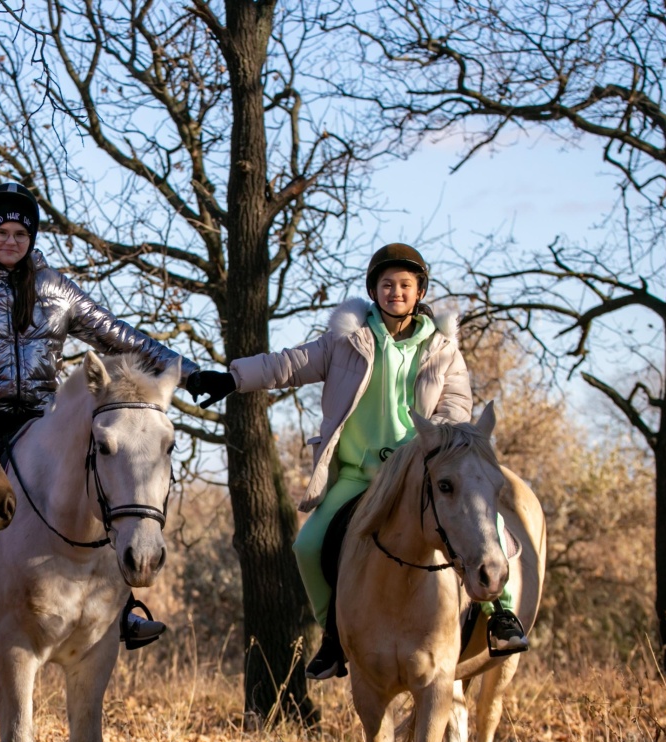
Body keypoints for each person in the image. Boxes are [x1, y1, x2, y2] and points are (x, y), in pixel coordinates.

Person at [0, 182, 211, 650]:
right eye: (3, 233)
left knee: (102, 481)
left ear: (31, 238)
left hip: (42, 417)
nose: (12, 241)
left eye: (22, 233)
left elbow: (116, 334)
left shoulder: (55, 288)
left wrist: (188, 372)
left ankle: (121, 609)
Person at [185, 244, 529, 679]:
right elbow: (288, 365)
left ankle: (501, 614)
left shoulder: (444, 349)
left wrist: (434, 439)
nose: (396, 292)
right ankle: (334, 635)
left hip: (418, 473)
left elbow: (457, 406)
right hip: (358, 474)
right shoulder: (344, 342)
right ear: (374, 290)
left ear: (419, 291)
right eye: (387, 285)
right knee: (307, 546)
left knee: (484, 518)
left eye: (405, 285)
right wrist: (232, 378)